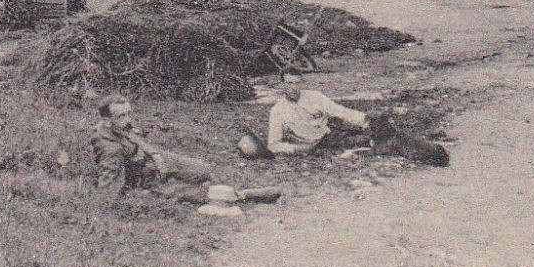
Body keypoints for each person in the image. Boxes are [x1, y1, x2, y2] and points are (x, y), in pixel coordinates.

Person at [91, 94, 280, 204]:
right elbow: (109, 183)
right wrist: (128, 196)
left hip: (155, 159)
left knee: (203, 170)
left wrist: (157, 156)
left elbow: (136, 139)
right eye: (121, 116)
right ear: (107, 121)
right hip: (146, 177)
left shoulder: (120, 126)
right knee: (195, 193)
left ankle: (216, 187)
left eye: (128, 114)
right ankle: (243, 195)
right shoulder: (109, 146)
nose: (127, 120)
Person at [265, 80, 368, 155]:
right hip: (305, 143)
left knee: (364, 139)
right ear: (282, 85)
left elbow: (340, 111)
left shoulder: (315, 96)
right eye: (289, 83)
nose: (293, 88)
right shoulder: (277, 110)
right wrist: (298, 149)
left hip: (328, 137)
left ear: (301, 83)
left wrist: (365, 120)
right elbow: (273, 145)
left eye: (296, 83)